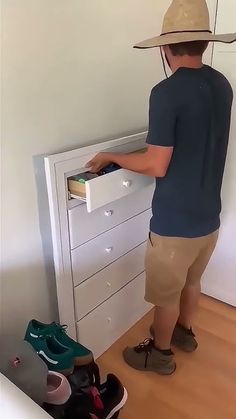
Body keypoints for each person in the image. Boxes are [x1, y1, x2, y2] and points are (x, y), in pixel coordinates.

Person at [86, 0, 236, 375]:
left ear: (166, 48)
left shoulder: (166, 92)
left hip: (174, 223)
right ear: (203, 43)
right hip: (208, 217)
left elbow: (156, 164)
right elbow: (193, 140)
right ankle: (186, 333)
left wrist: (114, 156)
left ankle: (161, 354)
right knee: (192, 280)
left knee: (165, 295)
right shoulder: (222, 84)